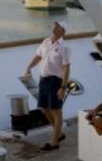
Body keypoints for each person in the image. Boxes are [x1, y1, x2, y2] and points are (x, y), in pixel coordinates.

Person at [21, 19, 71, 151]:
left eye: (58, 25)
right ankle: (59, 133)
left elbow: (66, 68)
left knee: (56, 110)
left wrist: (63, 87)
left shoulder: (64, 48)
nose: (54, 26)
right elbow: (38, 56)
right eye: (55, 24)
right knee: (43, 108)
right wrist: (29, 68)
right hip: (43, 80)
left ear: (62, 31)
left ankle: (54, 142)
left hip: (56, 81)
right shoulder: (46, 42)